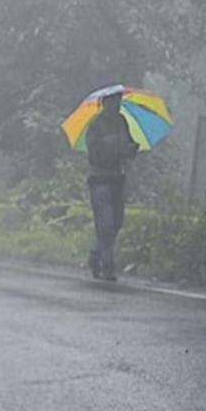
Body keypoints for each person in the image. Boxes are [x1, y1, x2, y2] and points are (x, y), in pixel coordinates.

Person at [85, 92, 140, 281]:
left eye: (118, 101)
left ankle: (95, 254)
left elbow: (126, 144)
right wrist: (111, 146)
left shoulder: (122, 122)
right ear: (104, 103)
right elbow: (93, 152)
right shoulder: (95, 124)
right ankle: (108, 265)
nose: (116, 105)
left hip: (117, 178)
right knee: (106, 224)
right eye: (113, 101)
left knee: (117, 222)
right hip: (99, 179)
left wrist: (131, 149)